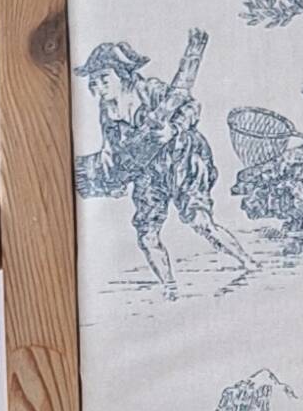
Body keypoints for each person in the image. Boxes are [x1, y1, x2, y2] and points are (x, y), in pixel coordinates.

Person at [74, 30, 251, 290]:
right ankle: (169, 287)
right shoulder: (108, 110)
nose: (98, 88)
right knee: (147, 235)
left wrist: (173, 129)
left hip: (181, 157)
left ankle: (247, 263)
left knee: (200, 222)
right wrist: (112, 169)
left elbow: (191, 107)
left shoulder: (150, 90)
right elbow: (110, 146)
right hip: (147, 168)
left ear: (122, 75)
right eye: (94, 83)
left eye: (103, 79)